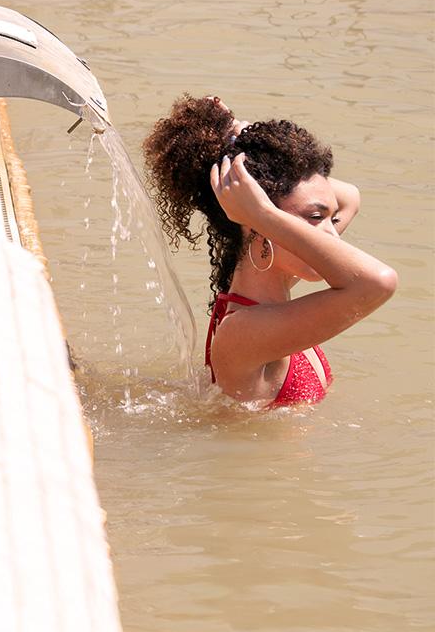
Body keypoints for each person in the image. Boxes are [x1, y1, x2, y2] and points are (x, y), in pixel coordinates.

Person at [143, 95, 396, 407]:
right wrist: (262, 215)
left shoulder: (274, 283)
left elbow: (350, 198)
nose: (331, 236)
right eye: (315, 219)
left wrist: (240, 140)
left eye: (330, 220)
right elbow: (378, 282)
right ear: (259, 225)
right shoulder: (242, 330)